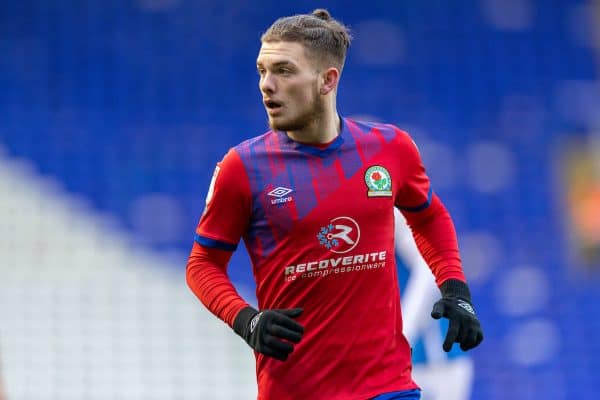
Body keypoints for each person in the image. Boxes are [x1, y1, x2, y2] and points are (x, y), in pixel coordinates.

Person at [186, 9, 483, 400]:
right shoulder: (242, 168)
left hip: (388, 387)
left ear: (328, 80)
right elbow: (202, 265)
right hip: (294, 391)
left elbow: (429, 216)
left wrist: (455, 289)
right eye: (261, 70)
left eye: (284, 71)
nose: (266, 85)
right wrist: (247, 321)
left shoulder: (390, 148)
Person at [394, 208, 474, 400]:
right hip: (408, 364)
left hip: (432, 364)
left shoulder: (391, 204)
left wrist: (403, 335)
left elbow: (428, 267)